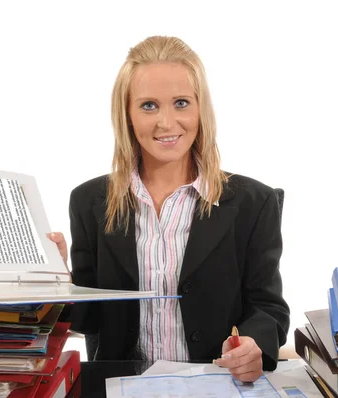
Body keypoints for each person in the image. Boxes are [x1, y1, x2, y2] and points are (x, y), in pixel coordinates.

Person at [49, 35, 289, 382]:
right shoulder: (89, 202)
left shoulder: (253, 202)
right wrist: (57, 286)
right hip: (125, 384)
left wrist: (254, 345)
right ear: (127, 115)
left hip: (218, 382)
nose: (166, 122)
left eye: (181, 103)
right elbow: (89, 319)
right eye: (148, 105)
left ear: (200, 109)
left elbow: (269, 308)